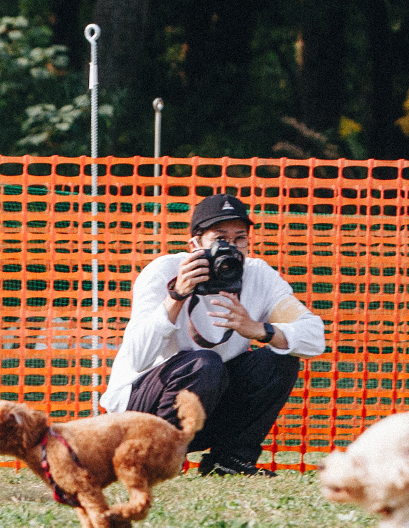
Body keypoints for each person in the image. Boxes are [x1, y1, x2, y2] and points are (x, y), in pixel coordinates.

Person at [100, 194, 326, 476]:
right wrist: (176, 295)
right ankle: (152, 459)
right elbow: (137, 357)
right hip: (141, 410)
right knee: (204, 363)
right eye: (220, 238)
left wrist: (260, 330)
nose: (230, 248)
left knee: (279, 359)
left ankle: (231, 460)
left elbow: (315, 338)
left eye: (239, 239)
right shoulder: (164, 271)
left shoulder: (258, 275)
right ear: (195, 244)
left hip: (208, 403)